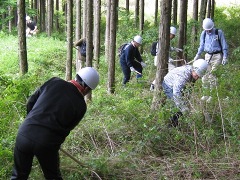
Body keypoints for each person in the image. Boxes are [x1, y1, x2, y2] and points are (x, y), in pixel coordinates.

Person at [11, 67, 100, 179]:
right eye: (89, 90)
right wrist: (52, 144)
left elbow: (30, 102)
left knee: (18, 175)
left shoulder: (54, 82)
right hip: (47, 142)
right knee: (53, 177)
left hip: (24, 133)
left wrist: (31, 122)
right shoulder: (81, 106)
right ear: (86, 88)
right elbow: (66, 129)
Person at [162, 59, 208, 127]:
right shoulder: (183, 76)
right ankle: (170, 126)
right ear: (194, 69)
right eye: (197, 75)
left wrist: (186, 102)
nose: (197, 77)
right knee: (177, 107)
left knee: (182, 105)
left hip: (178, 86)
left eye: (199, 76)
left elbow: (188, 90)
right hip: (169, 85)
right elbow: (176, 93)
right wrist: (183, 107)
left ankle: (176, 123)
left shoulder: (193, 74)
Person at [193, 18, 228, 102]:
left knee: (212, 76)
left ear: (212, 27)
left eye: (209, 30)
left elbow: (224, 45)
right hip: (207, 56)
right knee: (204, 76)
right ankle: (206, 94)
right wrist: (197, 55)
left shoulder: (218, 33)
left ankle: (212, 96)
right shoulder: (203, 34)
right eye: (206, 30)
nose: (208, 31)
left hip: (217, 56)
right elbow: (201, 46)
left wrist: (225, 57)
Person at [150, 26, 183, 91]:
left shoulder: (167, 40)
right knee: (173, 70)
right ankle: (156, 85)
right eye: (173, 35)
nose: (173, 37)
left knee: (164, 73)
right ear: (170, 34)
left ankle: (154, 85)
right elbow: (160, 52)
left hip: (164, 59)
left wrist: (175, 49)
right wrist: (168, 59)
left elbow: (168, 48)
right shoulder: (163, 41)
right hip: (160, 60)